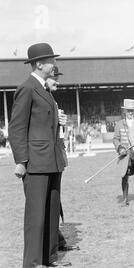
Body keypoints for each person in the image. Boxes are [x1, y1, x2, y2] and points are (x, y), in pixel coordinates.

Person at [8, 43, 70, 268]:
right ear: (39, 64)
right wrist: (22, 160)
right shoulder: (27, 88)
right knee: (36, 216)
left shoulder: (44, 89)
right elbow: (16, 127)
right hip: (35, 162)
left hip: (52, 161)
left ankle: (49, 257)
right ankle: (31, 267)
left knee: (51, 211)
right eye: (50, 61)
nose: (54, 65)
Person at [46, 67, 79, 252]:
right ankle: (55, 241)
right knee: (50, 202)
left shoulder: (53, 100)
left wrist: (62, 125)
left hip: (57, 155)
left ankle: (56, 239)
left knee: (55, 200)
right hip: (47, 157)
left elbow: (58, 134)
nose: (57, 81)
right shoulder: (44, 99)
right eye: (54, 77)